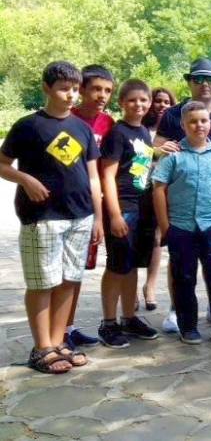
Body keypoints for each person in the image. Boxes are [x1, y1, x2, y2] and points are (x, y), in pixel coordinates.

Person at [0, 61, 102, 373]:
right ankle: (42, 348)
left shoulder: (82, 128)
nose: (71, 95)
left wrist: (98, 218)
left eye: (75, 89)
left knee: (69, 281)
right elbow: (2, 163)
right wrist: (25, 180)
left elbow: (93, 176)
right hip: (42, 217)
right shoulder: (28, 126)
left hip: (80, 217)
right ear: (47, 88)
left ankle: (58, 343)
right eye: (63, 89)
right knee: (43, 283)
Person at [153, 58, 211, 333]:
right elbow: (158, 179)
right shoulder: (172, 122)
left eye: (210, 79)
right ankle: (185, 324)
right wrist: (166, 226)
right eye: (198, 79)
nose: (205, 84)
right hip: (180, 222)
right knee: (183, 276)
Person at [96, 79, 160, 348]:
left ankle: (129, 318)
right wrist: (114, 215)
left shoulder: (143, 132)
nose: (138, 105)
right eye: (132, 100)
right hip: (123, 208)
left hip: (142, 208)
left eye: (143, 100)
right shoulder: (117, 133)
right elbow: (107, 176)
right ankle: (108, 323)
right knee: (116, 266)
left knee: (132, 265)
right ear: (122, 103)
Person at [65, 64, 117, 350]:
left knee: (76, 271)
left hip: (91, 206)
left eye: (107, 91)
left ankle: (68, 327)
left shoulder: (108, 124)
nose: (102, 96)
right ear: (81, 89)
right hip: (64, 206)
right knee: (60, 274)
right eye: (96, 89)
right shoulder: (67, 118)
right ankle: (55, 332)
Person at [138, 87, 177, 312]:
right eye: (158, 100)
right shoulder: (140, 127)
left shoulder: (174, 127)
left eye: (167, 102)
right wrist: (156, 150)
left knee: (157, 238)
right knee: (135, 238)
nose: (162, 105)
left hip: (163, 189)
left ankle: (150, 286)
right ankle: (130, 290)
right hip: (138, 189)